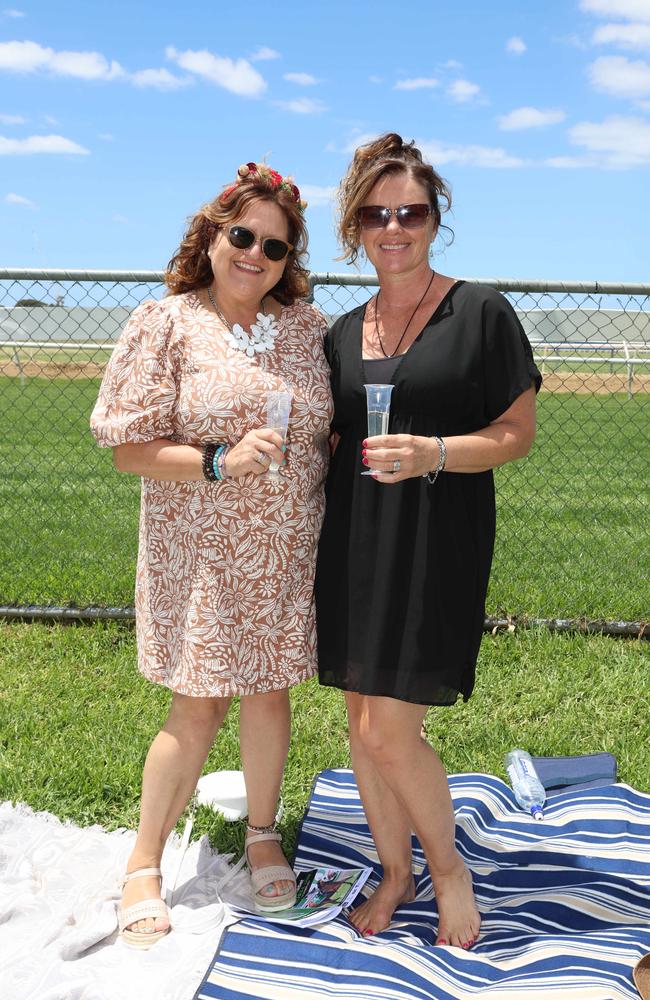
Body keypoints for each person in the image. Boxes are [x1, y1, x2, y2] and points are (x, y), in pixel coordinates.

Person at [90, 162, 332, 947]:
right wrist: (219, 460)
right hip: (200, 552)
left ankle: (262, 831)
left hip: (286, 550)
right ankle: (144, 861)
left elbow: (325, 417)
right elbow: (129, 449)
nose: (256, 254)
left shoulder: (304, 327)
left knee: (268, 694)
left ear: (290, 260)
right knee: (196, 705)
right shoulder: (165, 321)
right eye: (243, 235)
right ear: (212, 232)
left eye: (276, 245)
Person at [315, 133, 541, 948]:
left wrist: (435, 453)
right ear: (356, 228)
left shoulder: (480, 311)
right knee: (357, 723)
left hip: (437, 537)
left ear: (435, 218)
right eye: (376, 214)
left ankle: (448, 871)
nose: (394, 227)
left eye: (411, 211)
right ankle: (396, 871)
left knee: (388, 730)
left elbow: (516, 434)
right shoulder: (343, 331)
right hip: (353, 543)